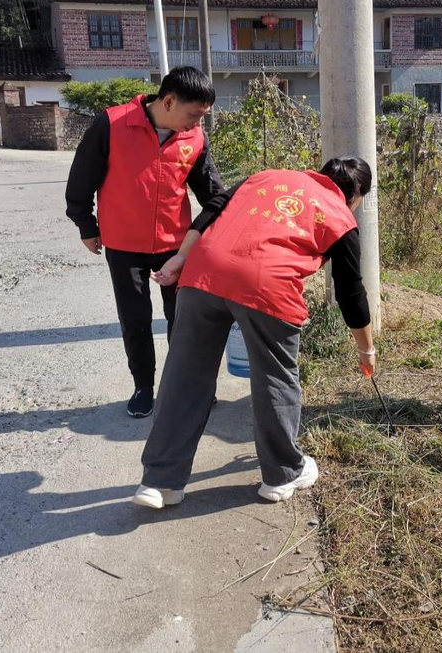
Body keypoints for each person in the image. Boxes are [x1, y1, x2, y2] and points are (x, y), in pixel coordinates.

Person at [131, 157, 376, 508]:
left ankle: (159, 482)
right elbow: (350, 292)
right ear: (357, 196)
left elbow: (212, 209)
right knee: (275, 377)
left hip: (203, 271)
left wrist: (181, 257)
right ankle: (282, 474)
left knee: (183, 377)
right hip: (266, 287)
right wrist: (366, 350)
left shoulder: (266, 177)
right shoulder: (340, 216)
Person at [65, 67, 225, 418]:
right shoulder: (112, 124)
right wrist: (86, 224)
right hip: (124, 244)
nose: (198, 123)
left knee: (183, 320)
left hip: (175, 245)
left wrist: (216, 229)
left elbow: (213, 194)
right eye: (194, 114)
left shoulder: (194, 138)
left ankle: (186, 385)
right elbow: (81, 178)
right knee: (135, 319)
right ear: (168, 102)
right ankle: (143, 386)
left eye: (202, 116)